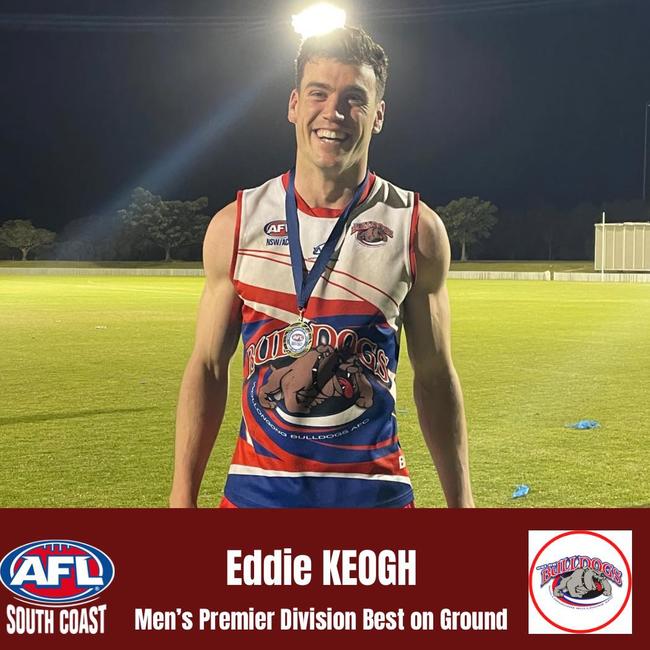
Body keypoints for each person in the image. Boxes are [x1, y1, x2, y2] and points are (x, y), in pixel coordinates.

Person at [170, 26, 474, 509]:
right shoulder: (237, 223)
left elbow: (435, 377)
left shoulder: (417, 228)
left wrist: (463, 506)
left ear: (378, 116)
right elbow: (207, 366)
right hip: (256, 499)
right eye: (319, 93)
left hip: (375, 501)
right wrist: (181, 499)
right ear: (294, 104)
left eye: (354, 98)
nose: (333, 112)